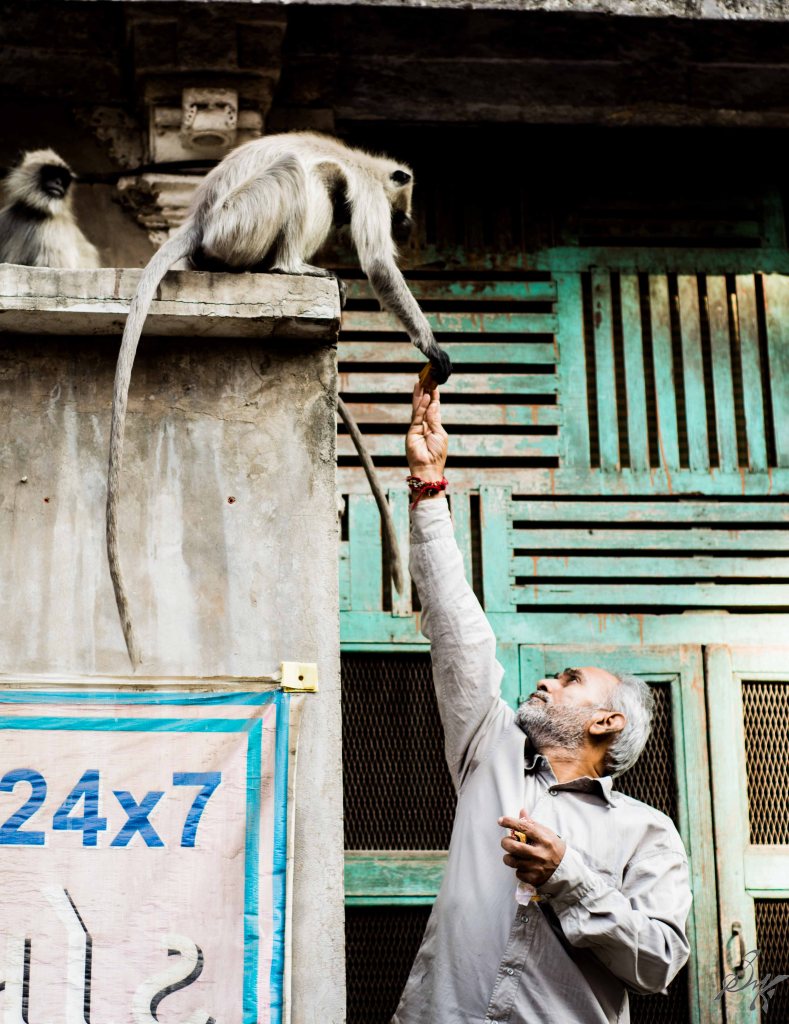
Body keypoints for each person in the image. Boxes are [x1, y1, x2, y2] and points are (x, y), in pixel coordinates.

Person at [393, 383, 692, 1024]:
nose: (547, 683)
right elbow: (459, 634)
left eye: (568, 679)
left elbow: (661, 961)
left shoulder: (647, 832)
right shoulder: (489, 751)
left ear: (605, 722)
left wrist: (569, 876)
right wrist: (427, 488)